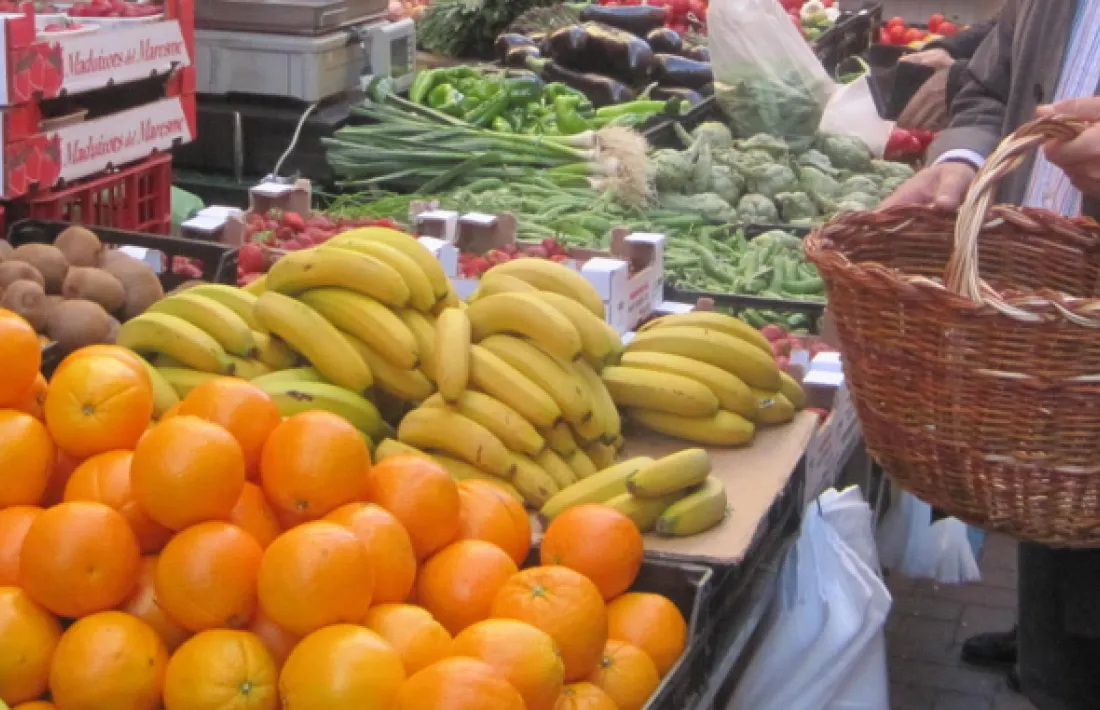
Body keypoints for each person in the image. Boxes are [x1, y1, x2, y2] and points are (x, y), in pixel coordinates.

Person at [880, 2, 1100, 708]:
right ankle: (1046, 649)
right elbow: (988, 84)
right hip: (1049, 344)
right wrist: (961, 156)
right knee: (1059, 597)